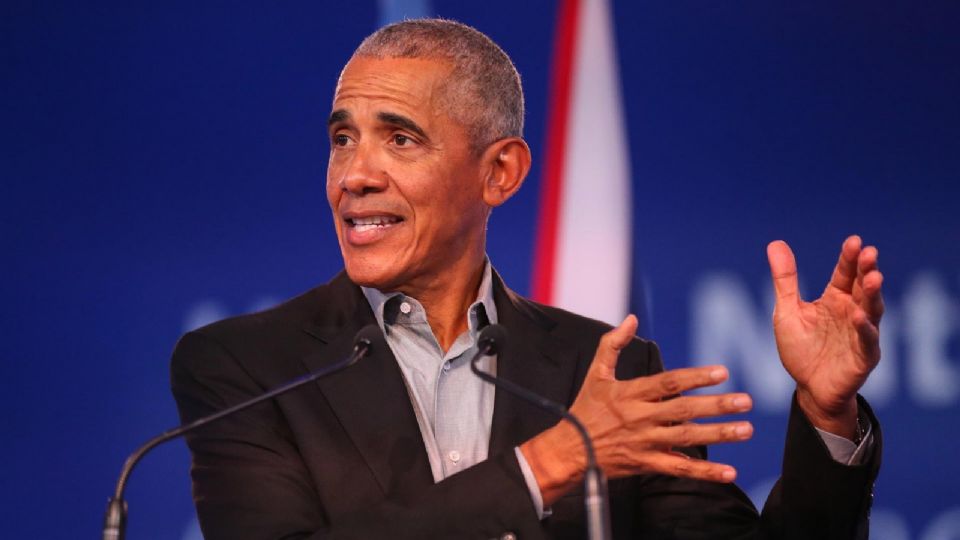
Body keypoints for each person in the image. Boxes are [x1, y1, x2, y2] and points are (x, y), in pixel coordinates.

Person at [171, 18, 883, 539]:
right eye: (341, 139)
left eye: (399, 138)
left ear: (499, 172)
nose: (354, 175)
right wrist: (546, 465)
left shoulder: (606, 371)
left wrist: (827, 416)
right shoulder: (246, 367)